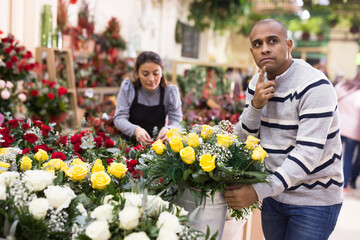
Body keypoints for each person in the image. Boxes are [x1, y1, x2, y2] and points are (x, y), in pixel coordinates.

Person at [225, 19, 343, 240]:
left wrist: (256, 191)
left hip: (313, 200)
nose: (265, 48)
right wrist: (255, 106)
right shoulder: (256, 84)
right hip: (275, 195)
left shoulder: (315, 86)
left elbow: (307, 154)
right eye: (258, 44)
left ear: (289, 45)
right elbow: (244, 139)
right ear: (252, 51)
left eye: (272, 41)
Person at [113, 51, 182, 145]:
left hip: (158, 147)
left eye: (156, 73)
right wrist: (135, 130)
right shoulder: (128, 87)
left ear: (162, 72)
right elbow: (119, 118)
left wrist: (169, 129)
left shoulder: (170, 92)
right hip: (129, 145)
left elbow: (177, 122)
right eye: (145, 74)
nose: (151, 79)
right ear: (137, 73)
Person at [334, 70, 360, 190]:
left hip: (337, 125)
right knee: (348, 157)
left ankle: (331, 180)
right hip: (352, 129)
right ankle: (344, 185)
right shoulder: (358, 94)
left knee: (333, 154)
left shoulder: (341, 86)